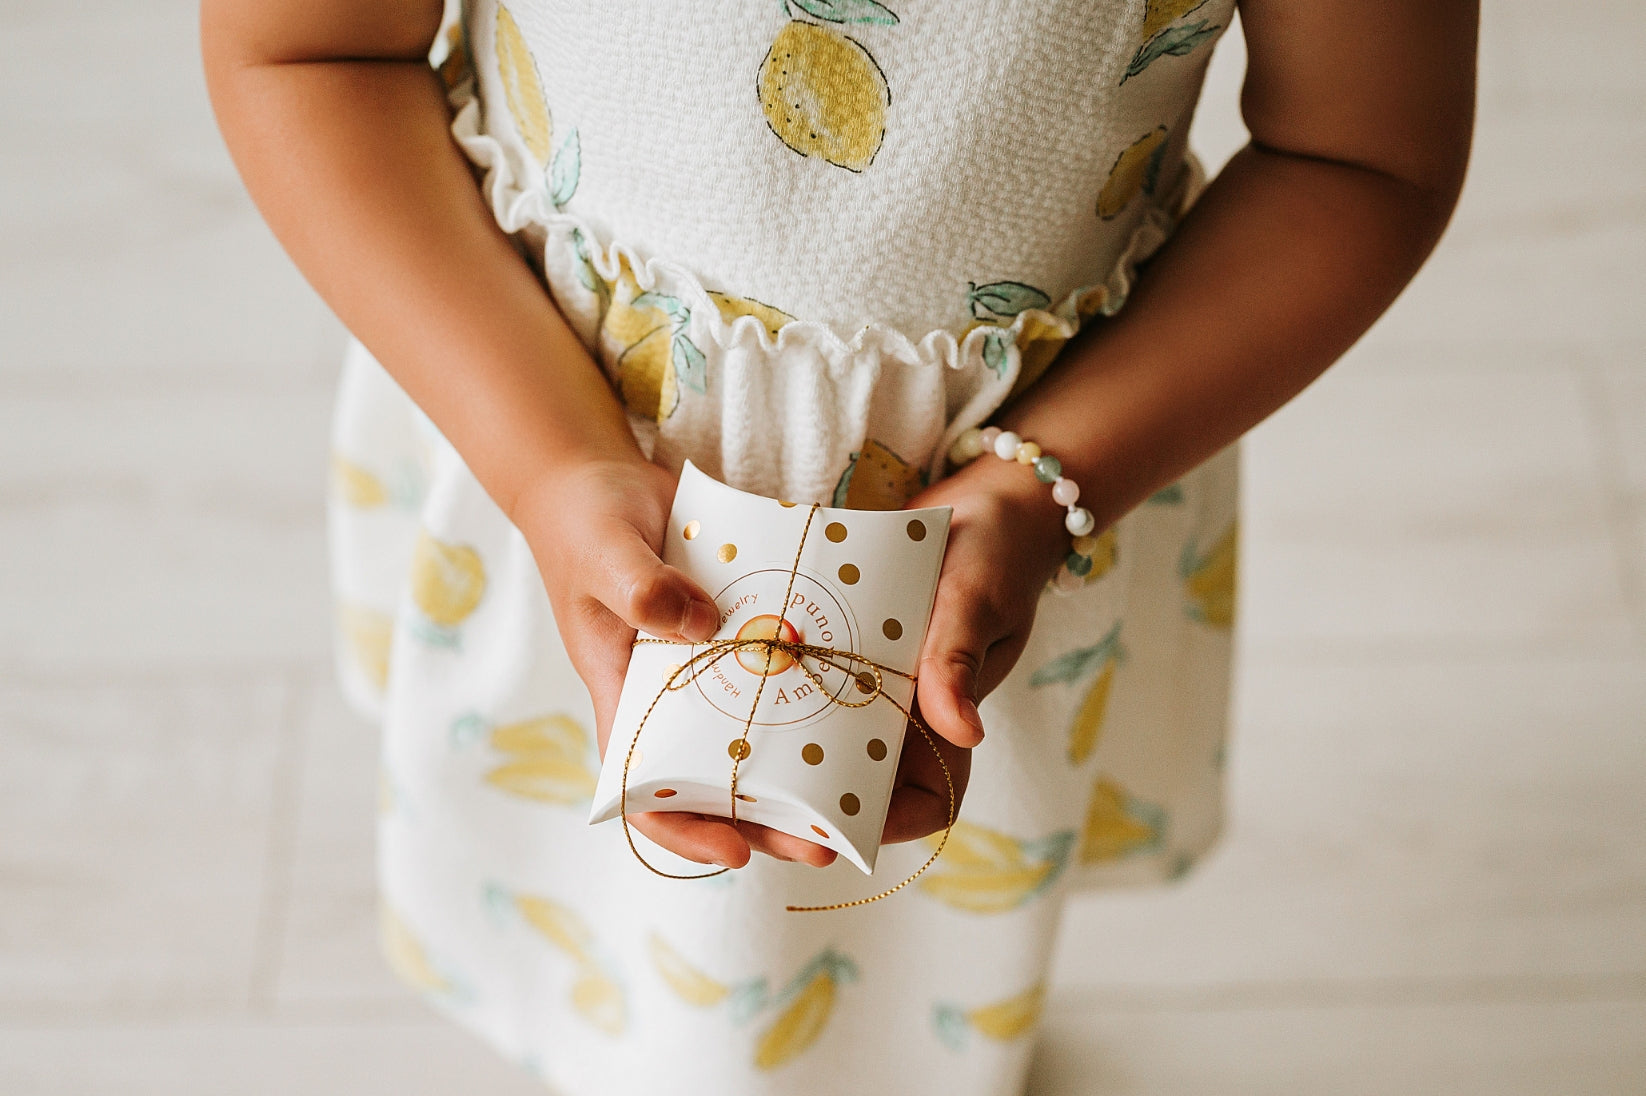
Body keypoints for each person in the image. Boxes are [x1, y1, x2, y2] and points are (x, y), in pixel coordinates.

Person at [202, 1, 1477, 1092]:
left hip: (1022, 493)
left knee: (900, 974)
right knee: (603, 923)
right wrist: (545, 465)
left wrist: (1049, 480)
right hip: (525, 397)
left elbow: (1360, 153)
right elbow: (309, 52)